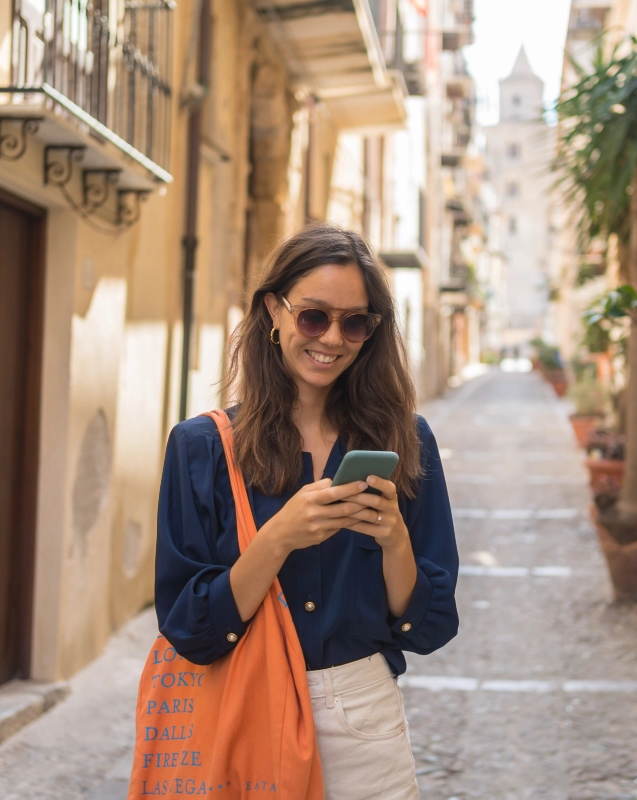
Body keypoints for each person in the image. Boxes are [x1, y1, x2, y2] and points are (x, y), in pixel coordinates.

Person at [155, 224, 459, 799]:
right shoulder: (201, 448)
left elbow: (431, 625)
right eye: (314, 316)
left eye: (355, 322)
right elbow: (188, 626)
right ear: (274, 310)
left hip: (362, 719)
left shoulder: (406, 441)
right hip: (245, 709)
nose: (333, 338)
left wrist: (395, 543)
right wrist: (278, 539)